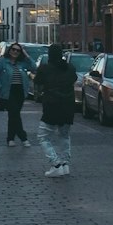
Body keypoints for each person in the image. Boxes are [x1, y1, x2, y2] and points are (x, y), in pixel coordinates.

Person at [33, 43, 76, 177]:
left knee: (43, 136)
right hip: (68, 105)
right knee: (64, 135)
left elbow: (38, 82)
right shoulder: (69, 68)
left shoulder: (45, 68)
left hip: (52, 105)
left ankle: (56, 163)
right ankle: (65, 163)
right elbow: (73, 80)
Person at [0, 42, 37, 147]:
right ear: (9, 50)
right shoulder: (3, 62)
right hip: (8, 91)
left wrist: (26, 55)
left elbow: (34, 67)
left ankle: (10, 138)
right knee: (14, 113)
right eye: (13, 49)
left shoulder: (22, 62)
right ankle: (23, 137)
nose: (15, 52)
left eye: (18, 50)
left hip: (20, 91)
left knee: (13, 115)